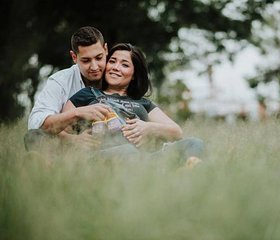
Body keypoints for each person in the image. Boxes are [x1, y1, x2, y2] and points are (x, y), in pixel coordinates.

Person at [63, 43, 204, 167]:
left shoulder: (143, 102)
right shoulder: (87, 94)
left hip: (145, 158)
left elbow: (176, 132)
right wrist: (77, 140)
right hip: (106, 155)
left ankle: (190, 170)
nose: (116, 68)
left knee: (194, 143)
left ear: (134, 74)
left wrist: (148, 127)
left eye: (124, 65)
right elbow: (58, 128)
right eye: (112, 61)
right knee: (128, 151)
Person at [25, 26, 112, 151]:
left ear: (106, 49)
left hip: (110, 143)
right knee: (34, 137)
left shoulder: (118, 74)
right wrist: (77, 115)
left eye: (99, 58)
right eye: (86, 60)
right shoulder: (60, 81)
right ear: (74, 57)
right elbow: (36, 124)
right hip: (69, 145)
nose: (94, 67)